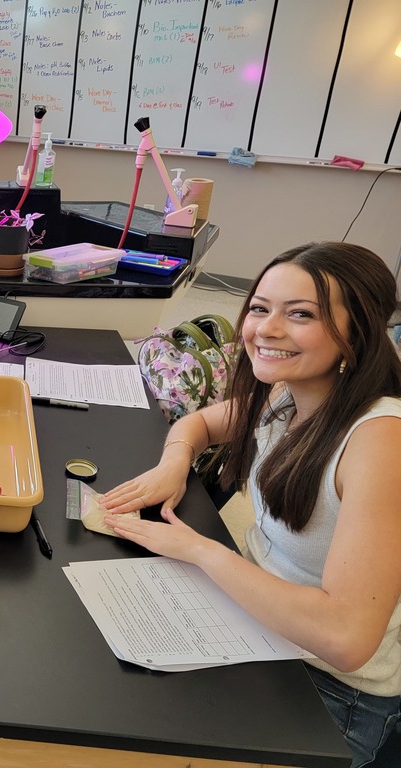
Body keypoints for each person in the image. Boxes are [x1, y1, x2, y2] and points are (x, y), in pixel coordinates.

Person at [101, 242, 401, 767]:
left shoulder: (380, 440)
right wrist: (176, 460)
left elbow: (346, 638)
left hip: (329, 688)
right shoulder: (292, 391)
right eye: (260, 308)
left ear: (358, 332)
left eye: (301, 314)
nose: (266, 329)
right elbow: (199, 423)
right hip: (255, 626)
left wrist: (202, 552)